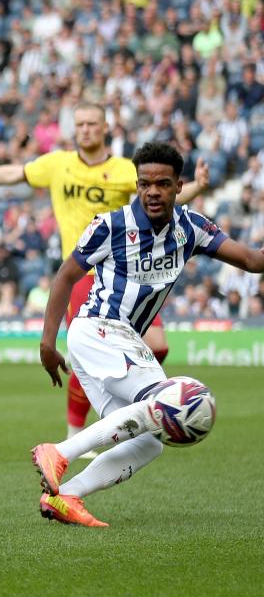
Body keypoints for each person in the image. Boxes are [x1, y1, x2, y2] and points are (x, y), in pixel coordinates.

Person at [0, 104, 209, 450]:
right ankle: (75, 433)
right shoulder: (58, 164)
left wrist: (198, 185)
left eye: (93, 123)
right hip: (82, 273)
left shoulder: (125, 170)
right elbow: (15, 174)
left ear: (106, 127)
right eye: (80, 124)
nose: (86, 129)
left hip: (127, 272)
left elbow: (165, 199)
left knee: (158, 346)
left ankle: (110, 406)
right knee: (86, 355)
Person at [29, 142, 264, 527]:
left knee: (149, 442)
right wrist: (47, 343)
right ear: (137, 185)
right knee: (168, 400)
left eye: (162, 184)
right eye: (145, 184)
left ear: (178, 186)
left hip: (119, 340)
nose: (152, 191)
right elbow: (65, 276)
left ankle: (67, 496)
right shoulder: (111, 225)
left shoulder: (191, 227)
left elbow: (253, 261)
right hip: (98, 328)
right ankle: (59, 451)